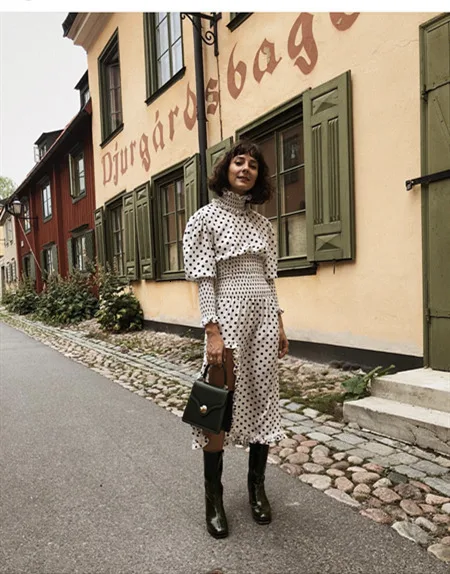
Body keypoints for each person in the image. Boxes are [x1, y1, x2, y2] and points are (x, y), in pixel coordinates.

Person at [182, 140, 289, 539]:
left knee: (263, 395)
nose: (245, 169)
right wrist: (211, 330)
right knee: (217, 400)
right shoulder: (205, 219)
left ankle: (256, 489)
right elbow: (204, 279)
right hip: (226, 315)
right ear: (225, 169)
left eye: (253, 165)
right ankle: (214, 498)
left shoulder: (264, 225)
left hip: (263, 316)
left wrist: (279, 323)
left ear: (259, 176)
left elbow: (270, 279)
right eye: (238, 162)